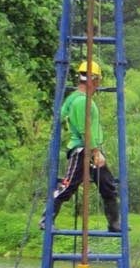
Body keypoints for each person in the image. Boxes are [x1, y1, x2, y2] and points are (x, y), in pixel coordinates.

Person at [49, 59, 121, 233]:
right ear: (94, 80)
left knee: (108, 185)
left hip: (91, 150)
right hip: (84, 151)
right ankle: (47, 218)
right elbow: (84, 130)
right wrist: (95, 152)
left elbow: (63, 116)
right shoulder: (82, 101)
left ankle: (114, 223)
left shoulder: (76, 98)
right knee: (68, 186)